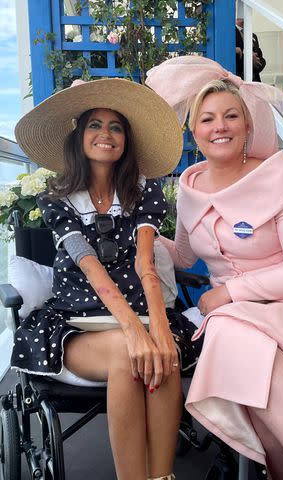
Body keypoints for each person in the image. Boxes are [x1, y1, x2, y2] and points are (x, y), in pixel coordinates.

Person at [146, 56, 283, 480]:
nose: (219, 126)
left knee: (232, 333)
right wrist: (141, 233)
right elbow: (186, 256)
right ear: (194, 132)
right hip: (239, 314)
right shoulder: (188, 188)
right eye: (207, 119)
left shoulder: (277, 179)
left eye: (230, 116)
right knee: (245, 350)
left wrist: (228, 293)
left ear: (247, 126)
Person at [11, 77, 199, 480]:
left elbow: (146, 265)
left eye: (116, 127)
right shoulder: (56, 197)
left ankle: (162, 477)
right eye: (95, 124)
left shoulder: (144, 192)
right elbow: (90, 267)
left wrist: (160, 327)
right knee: (127, 352)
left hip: (142, 315)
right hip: (75, 324)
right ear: (79, 136)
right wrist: (133, 330)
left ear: (126, 141)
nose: (105, 134)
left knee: (162, 355)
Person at [235, 17, 266, 81]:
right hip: (239, 80)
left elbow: (260, 56)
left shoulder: (253, 36)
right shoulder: (230, 33)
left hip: (254, 80)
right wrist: (249, 59)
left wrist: (258, 64)